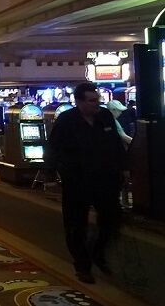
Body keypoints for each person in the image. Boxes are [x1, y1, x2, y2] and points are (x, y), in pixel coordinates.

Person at [46, 82, 127, 284]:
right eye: (91, 101)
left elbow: (115, 146)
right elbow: (53, 149)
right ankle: (83, 266)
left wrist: (123, 169)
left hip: (105, 179)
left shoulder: (105, 117)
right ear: (79, 101)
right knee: (75, 225)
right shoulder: (66, 121)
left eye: (97, 100)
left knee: (111, 218)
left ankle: (97, 251)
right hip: (77, 181)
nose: (96, 104)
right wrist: (51, 176)